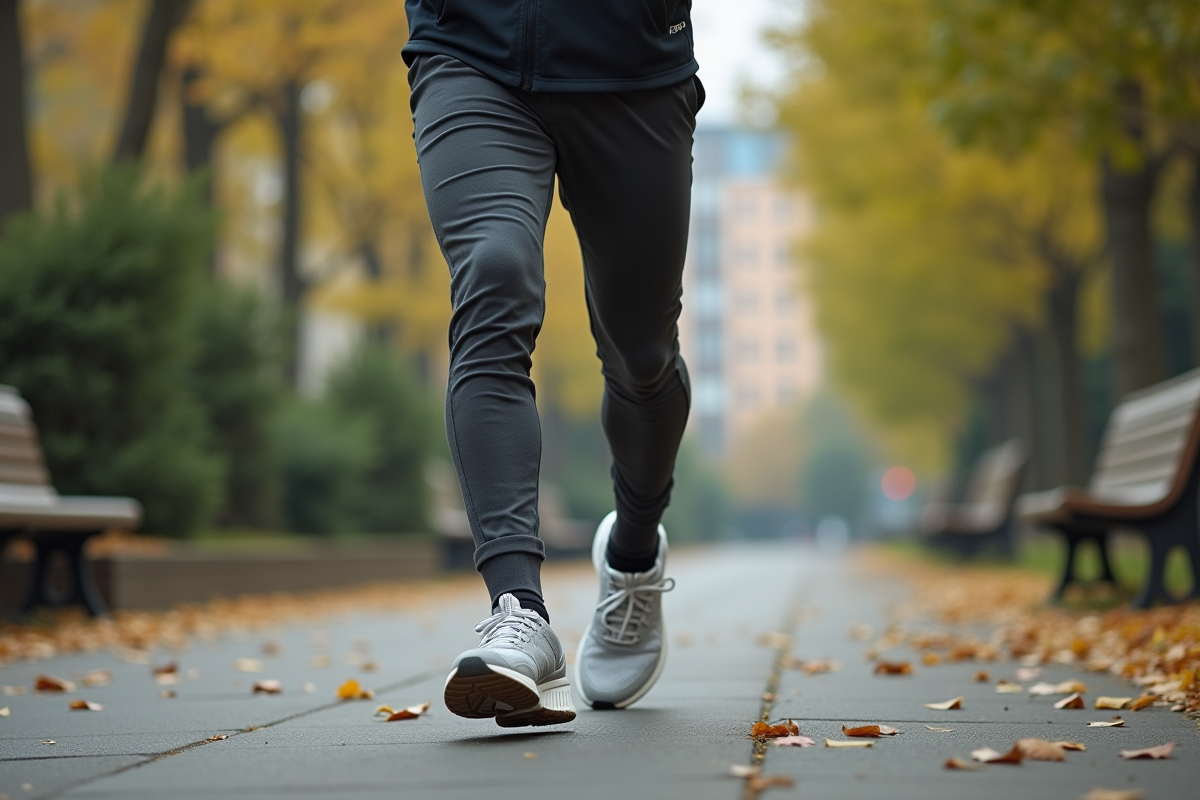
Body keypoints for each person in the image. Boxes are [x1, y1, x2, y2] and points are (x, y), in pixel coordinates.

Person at [402, 0, 703, 727]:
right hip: (470, 50)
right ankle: (519, 615)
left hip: (632, 66)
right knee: (494, 275)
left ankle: (632, 557)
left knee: (642, 354)